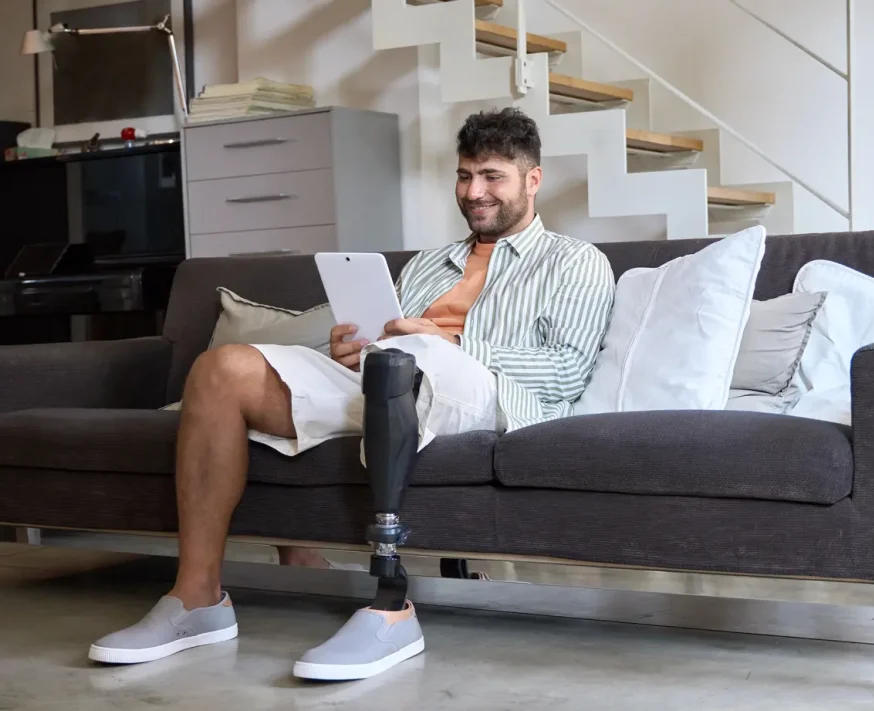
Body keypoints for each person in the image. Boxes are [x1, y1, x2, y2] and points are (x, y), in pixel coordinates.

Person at [88, 107, 615, 679]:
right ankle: (196, 600)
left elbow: (565, 374)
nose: (474, 191)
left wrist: (445, 340)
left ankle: (389, 603)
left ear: (532, 180)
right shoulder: (426, 265)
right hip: (392, 379)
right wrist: (346, 351)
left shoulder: (576, 262)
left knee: (411, 356)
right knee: (222, 370)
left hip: (487, 394)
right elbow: (385, 339)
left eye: (492, 177)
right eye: (465, 176)